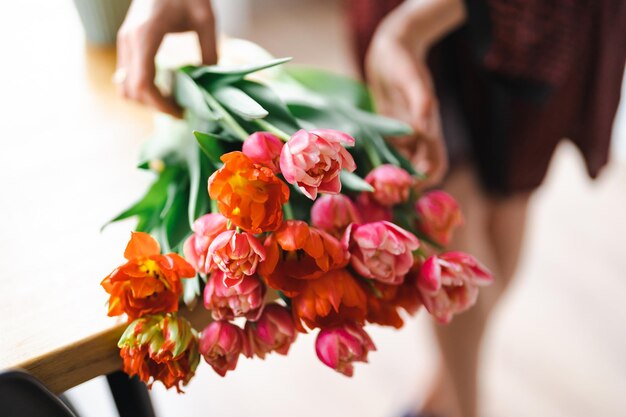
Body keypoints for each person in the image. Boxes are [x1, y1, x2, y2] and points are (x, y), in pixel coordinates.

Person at [115, 1, 626, 416]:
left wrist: (415, 23)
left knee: (510, 194)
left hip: (534, 17)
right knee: (444, 202)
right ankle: (466, 406)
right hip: (396, 15)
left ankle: (447, 395)